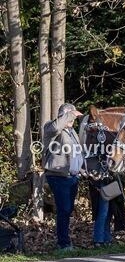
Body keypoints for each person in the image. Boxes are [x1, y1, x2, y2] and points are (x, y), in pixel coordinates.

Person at [43, 103, 85, 252]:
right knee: (64, 209)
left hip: (72, 176)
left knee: (68, 210)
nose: (72, 120)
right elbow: (56, 127)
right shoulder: (51, 128)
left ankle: (65, 240)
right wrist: (71, 114)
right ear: (62, 116)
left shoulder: (72, 132)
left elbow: (76, 154)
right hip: (58, 176)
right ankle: (63, 243)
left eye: (73, 117)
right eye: (69, 116)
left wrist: (81, 170)